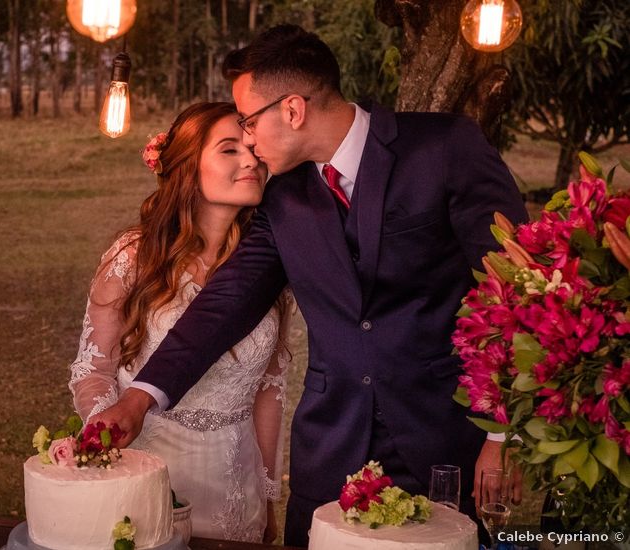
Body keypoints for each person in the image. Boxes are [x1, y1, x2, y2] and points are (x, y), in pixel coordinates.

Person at [91, 25, 529, 546]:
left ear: (293, 110)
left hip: (443, 438)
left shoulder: (445, 147)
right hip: (331, 451)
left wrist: (504, 433)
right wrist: (141, 397)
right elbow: (226, 302)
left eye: (250, 122)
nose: (249, 140)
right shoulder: (285, 196)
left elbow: (516, 289)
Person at [69, 101, 295, 543]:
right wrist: (108, 445)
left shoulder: (272, 270)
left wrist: (268, 499)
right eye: (229, 150)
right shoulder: (134, 257)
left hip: (236, 489)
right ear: (188, 167)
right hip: (146, 471)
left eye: (252, 149)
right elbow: (92, 371)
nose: (251, 159)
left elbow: (270, 390)